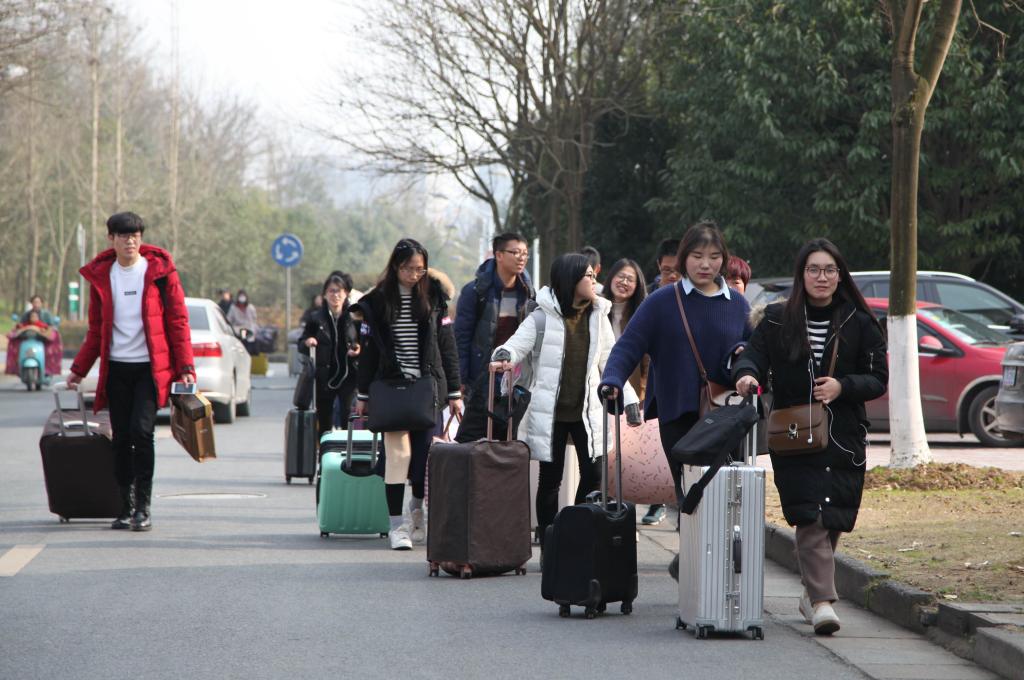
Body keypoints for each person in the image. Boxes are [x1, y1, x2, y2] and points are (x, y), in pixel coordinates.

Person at [733, 238, 887, 635]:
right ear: (801, 275)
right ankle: (822, 603)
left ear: (840, 275)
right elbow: (753, 356)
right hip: (794, 433)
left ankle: (810, 593)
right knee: (810, 515)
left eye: (829, 270)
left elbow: (878, 379)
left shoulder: (860, 322)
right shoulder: (777, 319)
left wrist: (843, 386)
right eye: (814, 269)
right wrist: (746, 375)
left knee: (833, 516)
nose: (822, 277)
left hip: (844, 435)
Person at [600, 221, 751, 572]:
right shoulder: (662, 301)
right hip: (677, 412)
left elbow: (755, 352)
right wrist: (612, 379)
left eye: (713, 257)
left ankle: (705, 564)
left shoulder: (737, 304)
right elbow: (629, 346)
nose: (705, 264)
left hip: (727, 414)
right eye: (697, 256)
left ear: (723, 259)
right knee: (690, 491)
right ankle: (697, 563)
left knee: (725, 490)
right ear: (683, 258)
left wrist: (744, 359)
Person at [492, 253, 639, 548]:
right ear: (571, 280)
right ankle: (549, 541)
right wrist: (504, 356)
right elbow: (514, 346)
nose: (595, 281)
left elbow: (612, 360)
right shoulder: (541, 317)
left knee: (594, 475)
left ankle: (574, 531)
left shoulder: (598, 316)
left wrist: (629, 398)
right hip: (551, 414)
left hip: (588, 411)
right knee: (550, 480)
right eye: (588, 276)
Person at [67, 211, 195, 532]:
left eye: (136, 235)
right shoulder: (102, 276)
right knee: (121, 437)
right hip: (117, 369)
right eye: (124, 235)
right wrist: (78, 370)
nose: (130, 241)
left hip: (150, 370)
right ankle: (125, 506)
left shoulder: (160, 272)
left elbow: (178, 321)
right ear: (111, 239)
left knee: (142, 432)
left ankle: (143, 508)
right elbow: (96, 330)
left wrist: (185, 367)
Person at [352, 239, 462, 550]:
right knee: (398, 456)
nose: (414, 275)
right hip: (391, 390)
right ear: (395, 267)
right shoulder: (376, 302)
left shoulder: (434, 297)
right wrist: (363, 394)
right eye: (408, 269)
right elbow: (369, 353)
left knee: (424, 455)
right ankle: (396, 527)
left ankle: (416, 510)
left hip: (427, 389)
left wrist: (455, 391)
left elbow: (447, 345)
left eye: (420, 269)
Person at [453, 232, 534, 397]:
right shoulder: (475, 292)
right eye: (515, 252)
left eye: (525, 253)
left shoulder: (528, 293)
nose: (522, 258)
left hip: (516, 378)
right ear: (499, 255)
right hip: (481, 378)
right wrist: (460, 380)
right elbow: (462, 338)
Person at [299, 272, 360, 436]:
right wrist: (308, 341)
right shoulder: (315, 319)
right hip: (324, 377)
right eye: (331, 291)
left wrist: (358, 349)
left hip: (348, 375)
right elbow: (301, 343)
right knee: (324, 418)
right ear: (325, 295)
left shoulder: (354, 318)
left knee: (348, 415)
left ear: (346, 294)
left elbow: (363, 342)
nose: (335, 295)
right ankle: (324, 449)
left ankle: (346, 449)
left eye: (339, 291)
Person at [602, 258, 648, 401]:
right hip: (598, 391)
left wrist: (643, 393)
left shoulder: (642, 315)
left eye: (630, 279)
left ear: (637, 285)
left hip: (631, 394)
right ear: (611, 277)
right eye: (621, 276)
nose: (624, 282)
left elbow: (647, 362)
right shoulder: (597, 309)